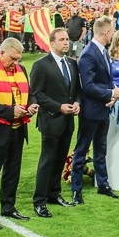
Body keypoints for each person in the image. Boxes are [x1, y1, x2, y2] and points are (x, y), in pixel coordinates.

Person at [0, 38, 38, 229]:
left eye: (18, 59)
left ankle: (8, 207)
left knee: (12, 172)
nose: (16, 63)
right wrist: (11, 111)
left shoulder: (21, 70)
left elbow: (30, 93)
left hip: (18, 129)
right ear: (1, 53)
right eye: (13, 58)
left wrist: (32, 104)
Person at [70, 16, 119, 202]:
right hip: (90, 111)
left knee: (101, 149)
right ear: (107, 32)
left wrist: (111, 96)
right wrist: (111, 93)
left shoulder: (102, 52)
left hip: (103, 109)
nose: (113, 34)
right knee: (82, 149)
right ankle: (76, 189)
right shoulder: (88, 54)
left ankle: (103, 185)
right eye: (113, 31)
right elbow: (88, 86)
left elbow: (107, 80)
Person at [29, 28, 81, 218]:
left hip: (67, 121)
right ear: (52, 43)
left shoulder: (72, 63)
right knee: (47, 160)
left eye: (67, 39)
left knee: (60, 159)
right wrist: (59, 107)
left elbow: (77, 89)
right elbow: (37, 93)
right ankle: (39, 201)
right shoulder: (41, 65)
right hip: (51, 120)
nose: (66, 42)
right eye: (62, 40)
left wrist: (77, 103)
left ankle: (54, 194)